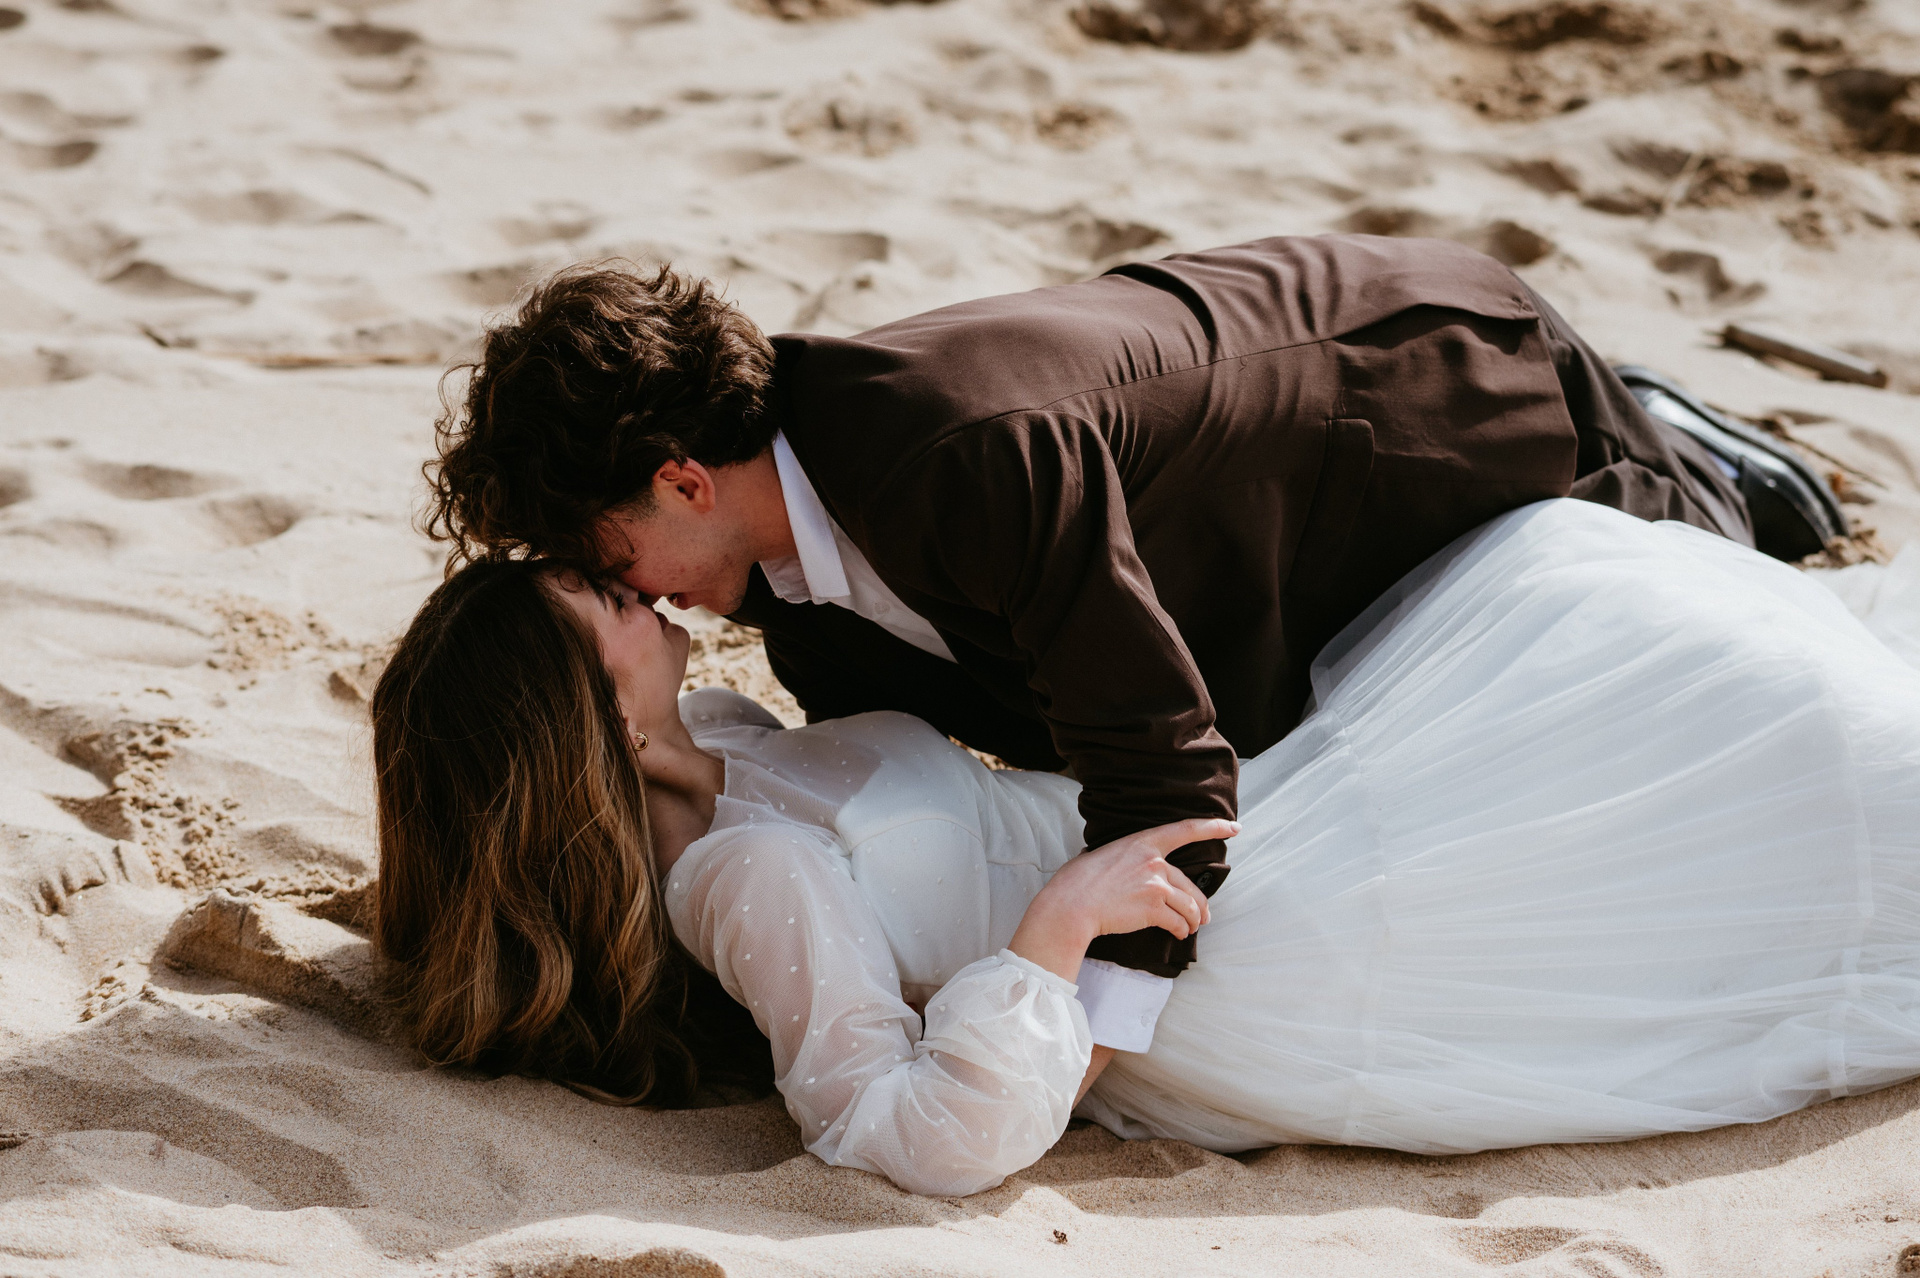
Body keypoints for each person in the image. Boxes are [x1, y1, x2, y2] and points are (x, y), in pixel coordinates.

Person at [421, 235, 1845, 1069]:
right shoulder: (777, 568)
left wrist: (1080, 1041)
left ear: (682, 481)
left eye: (605, 554)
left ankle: (1682, 439)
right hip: (1231, 549)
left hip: (1435, 395)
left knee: (1688, 595)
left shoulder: (955, 460)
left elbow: (1163, 770)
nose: (632, 597)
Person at [372, 497, 1920, 1197]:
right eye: (597, 606)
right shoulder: (739, 874)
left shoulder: (719, 739)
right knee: (1759, 762)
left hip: (1219, 841)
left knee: (1616, 625)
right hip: (1212, 953)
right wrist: (1054, 933)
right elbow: (900, 1130)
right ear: (586, 714)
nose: (626, 585)